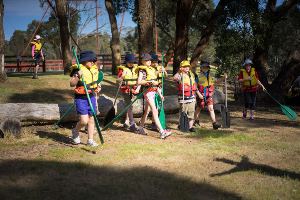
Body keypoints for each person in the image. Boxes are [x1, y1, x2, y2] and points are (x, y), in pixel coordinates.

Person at [70, 51, 101, 147]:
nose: (93, 62)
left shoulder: (93, 69)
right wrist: (77, 76)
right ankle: (75, 131)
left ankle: (90, 140)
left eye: (94, 61)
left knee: (91, 119)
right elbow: (71, 84)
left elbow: (96, 82)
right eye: (91, 60)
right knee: (84, 121)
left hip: (91, 96)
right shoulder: (78, 70)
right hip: (81, 98)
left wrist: (98, 86)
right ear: (84, 61)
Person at [137, 53, 171, 139]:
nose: (148, 62)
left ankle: (140, 128)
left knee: (147, 111)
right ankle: (162, 132)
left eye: (149, 60)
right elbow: (139, 82)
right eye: (146, 60)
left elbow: (156, 84)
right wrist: (151, 82)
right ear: (142, 61)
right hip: (148, 93)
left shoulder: (151, 70)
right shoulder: (142, 71)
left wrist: (160, 94)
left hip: (154, 92)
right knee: (155, 111)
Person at [194, 61, 224, 129]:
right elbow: (195, 86)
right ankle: (196, 121)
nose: (205, 68)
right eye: (204, 67)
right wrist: (198, 94)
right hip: (201, 95)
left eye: (206, 67)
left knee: (211, 108)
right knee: (199, 108)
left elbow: (216, 81)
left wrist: (223, 78)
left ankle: (214, 123)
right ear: (201, 68)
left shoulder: (211, 76)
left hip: (209, 95)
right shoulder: (198, 76)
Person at [174, 60, 199, 132]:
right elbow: (175, 78)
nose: (187, 68)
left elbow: (194, 85)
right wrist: (179, 71)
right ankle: (181, 125)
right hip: (183, 98)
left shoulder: (191, 74)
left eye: (188, 66)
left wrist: (198, 94)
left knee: (191, 112)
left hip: (192, 97)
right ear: (181, 68)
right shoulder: (180, 75)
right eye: (185, 67)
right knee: (183, 111)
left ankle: (190, 127)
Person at [117, 53, 139, 131]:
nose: (131, 63)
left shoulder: (136, 68)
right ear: (126, 62)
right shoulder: (122, 69)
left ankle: (126, 122)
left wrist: (136, 88)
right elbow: (118, 80)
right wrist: (122, 76)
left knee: (129, 106)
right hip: (125, 90)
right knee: (129, 105)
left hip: (133, 89)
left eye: (132, 62)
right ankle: (132, 123)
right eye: (129, 62)